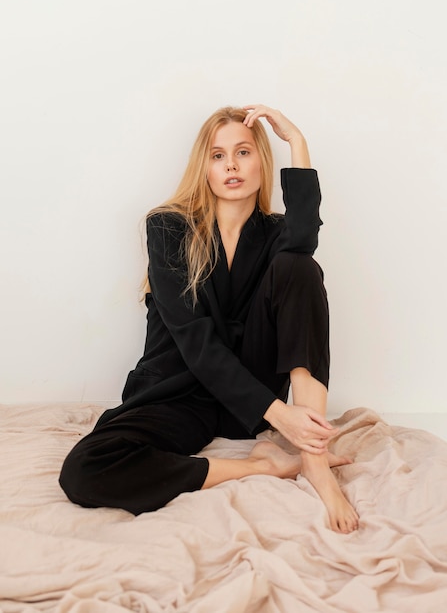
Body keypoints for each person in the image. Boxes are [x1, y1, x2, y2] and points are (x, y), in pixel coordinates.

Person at [59, 104, 359, 534]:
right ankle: (267, 467)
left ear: (261, 162)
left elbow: (304, 236)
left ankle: (314, 460)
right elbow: (195, 342)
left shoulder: (275, 235)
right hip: (179, 392)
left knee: (300, 267)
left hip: (246, 400)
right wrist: (279, 414)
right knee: (84, 470)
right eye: (218, 156)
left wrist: (297, 141)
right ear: (204, 167)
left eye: (244, 152)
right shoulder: (168, 228)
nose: (231, 165)